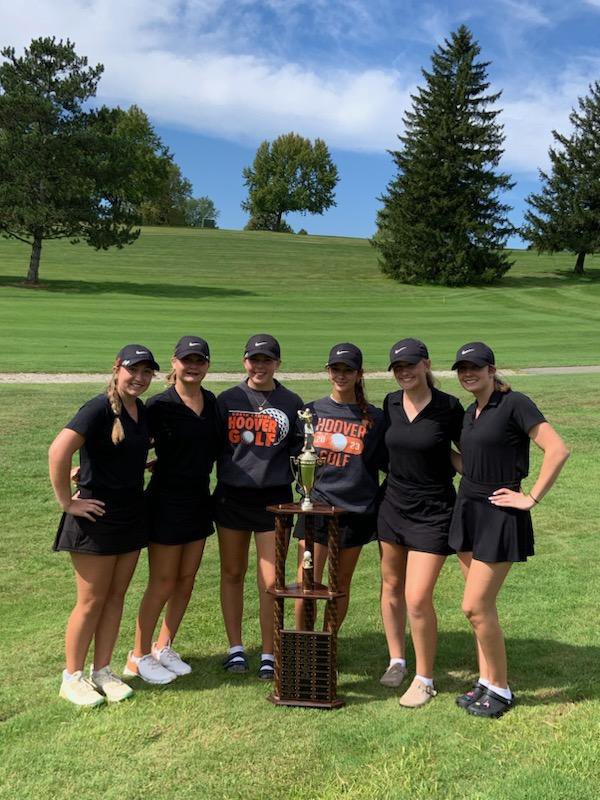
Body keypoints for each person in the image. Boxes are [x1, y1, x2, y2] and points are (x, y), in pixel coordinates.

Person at [449, 342, 570, 718]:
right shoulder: (472, 413)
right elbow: (471, 465)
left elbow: (557, 449)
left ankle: (501, 688)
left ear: (491, 369)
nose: (468, 374)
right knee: (478, 610)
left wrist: (531, 497)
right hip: (468, 508)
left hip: (499, 513)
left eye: (476, 367)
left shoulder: (516, 403)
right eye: (462, 368)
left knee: (475, 605)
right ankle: (485, 682)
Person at [49, 344, 159, 706]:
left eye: (147, 372)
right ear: (117, 368)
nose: (140, 378)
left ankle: (102, 671)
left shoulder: (139, 410)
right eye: (134, 370)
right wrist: (68, 502)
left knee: (115, 597)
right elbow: (58, 450)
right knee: (91, 600)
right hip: (95, 518)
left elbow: (122, 452)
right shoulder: (98, 407)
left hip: (130, 515)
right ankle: (72, 677)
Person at [125, 336, 219, 684]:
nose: (193, 366)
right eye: (186, 360)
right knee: (162, 582)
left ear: (207, 365)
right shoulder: (159, 404)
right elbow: (131, 440)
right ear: (174, 363)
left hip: (199, 501)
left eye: (200, 360)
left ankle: (163, 647)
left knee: (186, 580)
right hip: (165, 502)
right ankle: (137, 656)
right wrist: (89, 471)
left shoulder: (211, 403)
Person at [377, 338, 464, 708]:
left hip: (433, 513)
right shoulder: (391, 403)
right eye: (397, 368)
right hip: (392, 507)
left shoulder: (449, 407)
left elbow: (466, 451)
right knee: (392, 586)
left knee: (417, 597)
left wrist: (489, 477)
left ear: (426, 365)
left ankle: (424, 679)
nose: (404, 373)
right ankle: (397, 659)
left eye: (410, 365)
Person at [214, 334, 303, 680]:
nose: (260, 366)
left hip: (273, 500)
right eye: (254, 359)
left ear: (278, 363)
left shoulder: (292, 401)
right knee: (232, 573)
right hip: (232, 498)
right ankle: (235, 649)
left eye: (267, 360)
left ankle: (269, 651)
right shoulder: (228, 400)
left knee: (271, 580)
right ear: (244, 361)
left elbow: (300, 452)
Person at [293, 343, 385, 630]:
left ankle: (327, 646)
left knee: (340, 584)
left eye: (348, 370)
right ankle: (304, 645)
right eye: (336, 369)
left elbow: (385, 462)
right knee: (306, 582)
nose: (341, 375)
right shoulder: (310, 412)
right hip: (316, 507)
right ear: (328, 371)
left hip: (355, 510)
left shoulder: (375, 417)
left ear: (359, 374)